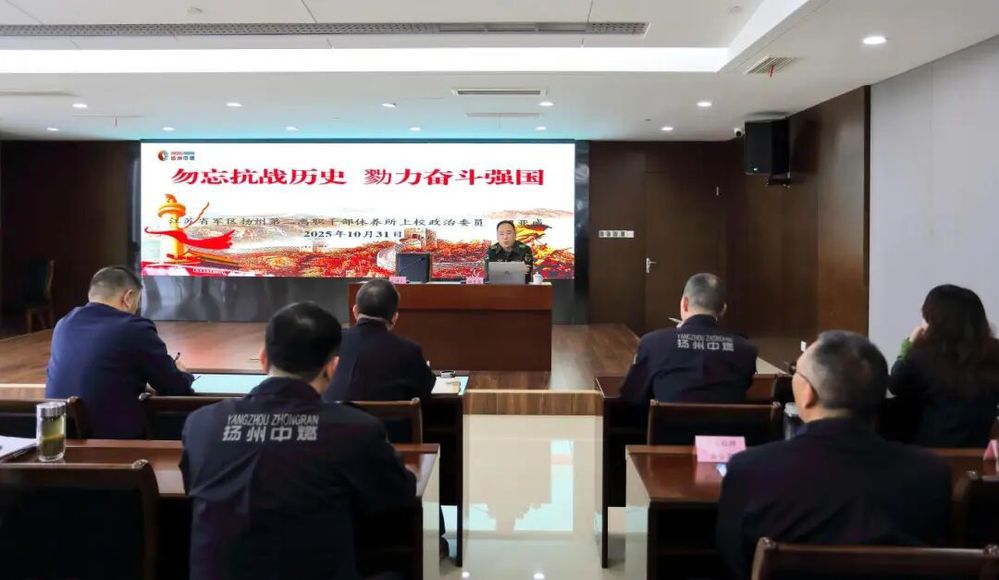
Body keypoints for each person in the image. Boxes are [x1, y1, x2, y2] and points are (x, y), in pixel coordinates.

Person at [181, 302, 416, 580]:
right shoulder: (356, 429)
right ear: (332, 368)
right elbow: (398, 494)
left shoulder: (201, 424)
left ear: (263, 359)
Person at [716, 331, 952, 580]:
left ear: (808, 394)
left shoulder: (749, 470)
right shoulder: (931, 473)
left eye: (796, 371)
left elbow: (733, 559)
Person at [46, 265, 194, 438]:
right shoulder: (134, 328)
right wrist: (183, 374)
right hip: (115, 442)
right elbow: (174, 387)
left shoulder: (64, 324)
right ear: (128, 297)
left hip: (63, 439)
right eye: (137, 302)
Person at [888, 284, 999, 448]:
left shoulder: (923, 356)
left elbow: (895, 384)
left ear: (935, 322)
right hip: (981, 452)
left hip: (929, 452)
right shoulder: (994, 352)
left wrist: (908, 345)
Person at [620, 273, 757, 403]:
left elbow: (632, 395)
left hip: (670, 421)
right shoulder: (746, 350)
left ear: (685, 303)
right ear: (723, 310)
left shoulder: (653, 342)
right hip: (728, 421)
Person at [325, 279, 436, 407]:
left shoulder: (332, 340)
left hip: (333, 419)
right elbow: (425, 388)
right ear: (394, 317)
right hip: (387, 421)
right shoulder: (409, 350)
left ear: (355, 311)